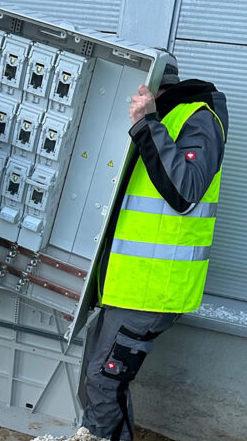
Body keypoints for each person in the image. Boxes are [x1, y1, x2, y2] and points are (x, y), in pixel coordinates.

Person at [77, 53, 228, 441]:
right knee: (95, 380)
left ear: (154, 84)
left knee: (103, 381)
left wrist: (147, 124)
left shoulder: (197, 117)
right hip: (129, 286)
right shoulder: (157, 121)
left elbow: (185, 191)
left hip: (153, 290)